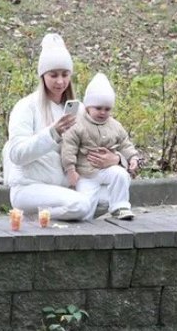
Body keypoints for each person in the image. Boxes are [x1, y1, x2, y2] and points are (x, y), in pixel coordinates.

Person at [2, 33, 124, 220]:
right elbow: (17, 154)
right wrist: (53, 133)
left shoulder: (81, 109)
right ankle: (39, 218)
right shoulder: (26, 107)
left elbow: (108, 137)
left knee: (111, 197)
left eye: (65, 75)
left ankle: (67, 215)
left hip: (68, 186)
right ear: (43, 76)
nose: (60, 81)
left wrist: (116, 159)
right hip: (29, 187)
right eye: (54, 75)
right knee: (81, 205)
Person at [60, 73, 139, 221]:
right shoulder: (78, 124)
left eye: (107, 109)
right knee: (85, 206)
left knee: (120, 174)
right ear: (88, 107)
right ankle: (82, 219)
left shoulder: (115, 125)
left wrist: (132, 157)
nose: (103, 112)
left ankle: (120, 206)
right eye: (98, 108)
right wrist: (70, 170)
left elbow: (124, 143)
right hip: (85, 173)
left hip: (107, 169)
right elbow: (69, 147)